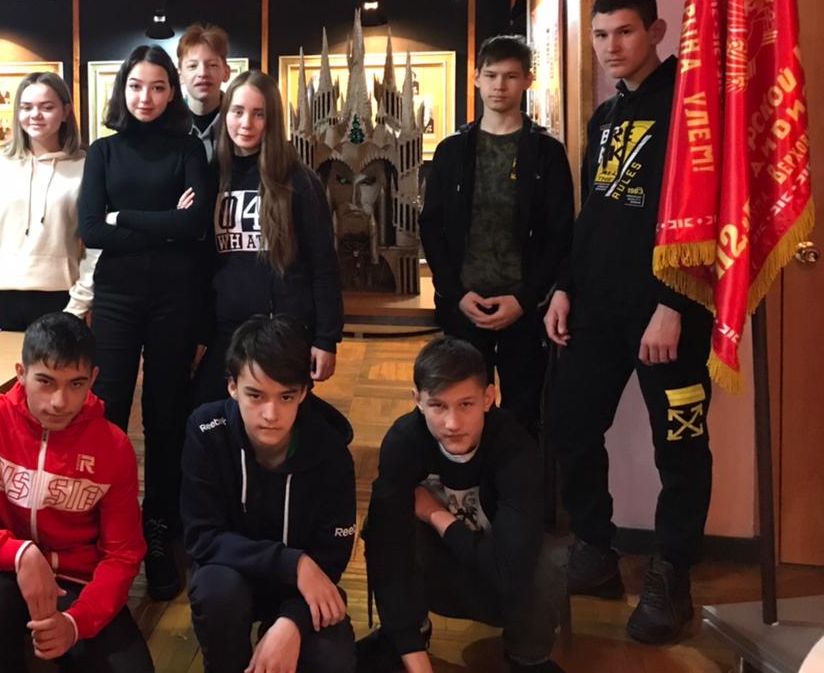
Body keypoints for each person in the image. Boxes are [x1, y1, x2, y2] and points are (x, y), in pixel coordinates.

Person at [545, 0, 715, 644]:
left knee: (680, 445)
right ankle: (595, 550)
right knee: (571, 424)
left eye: (624, 32)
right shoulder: (605, 117)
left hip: (669, 313)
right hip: (598, 308)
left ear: (656, 32)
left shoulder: (690, 107)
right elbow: (594, 216)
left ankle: (672, 573)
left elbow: (704, 215)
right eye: (600, 35)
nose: (611, 46)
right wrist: (564, 287)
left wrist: (674, 303)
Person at [0, 312, 153, 673]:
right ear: (21, 373)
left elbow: (123, 555)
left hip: (78, 583)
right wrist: (19, 553)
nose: (60, 401)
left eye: (76, 384)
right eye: (45, 381)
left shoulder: (113, 447)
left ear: (93, 378)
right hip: (2, 574)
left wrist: (77, 622)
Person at [77, 43, 211, 600]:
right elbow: (91, 229)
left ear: (172, 92)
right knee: (106, 409)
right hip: (116, 297)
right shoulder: (103, 151)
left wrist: (124, 217)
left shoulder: (188, 148)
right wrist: (163, 224)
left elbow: (195, 225)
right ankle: (104, 522)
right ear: (122, 89)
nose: (146, 97)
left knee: (165, 414)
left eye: (158, 87)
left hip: (174, 298)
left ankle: (158, 528)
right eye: (136, 86)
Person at [360, 337, 565, 673]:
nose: (452, 423)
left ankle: (528, 656)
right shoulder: (403, 442)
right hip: (434, 567)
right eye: (438, 406)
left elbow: (508, 570)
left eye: (465, 404)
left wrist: (436, 514)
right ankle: (409, 634)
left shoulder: (516, 448)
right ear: (418, 401)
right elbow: (388, 550)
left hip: (497, 577)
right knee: (384, 529)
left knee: (548, 560)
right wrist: (409, 647)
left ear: (489, 397)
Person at [182, 314, 357, 673]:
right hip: (233, 573)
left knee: (333, 657)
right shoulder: (206, 430)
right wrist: (293, 562)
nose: (270, 414)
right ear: (232, 386)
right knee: (216, 591)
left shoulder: (331, 451)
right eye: (255, 395)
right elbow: (202, 537)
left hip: (302, 587)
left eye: (286, 396)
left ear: (304, 392)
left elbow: (332, 556)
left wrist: (292, 622)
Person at [418, 36, 573, 439]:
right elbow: (432, 226)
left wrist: (525, 298)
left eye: (510, 76)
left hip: (525, 306)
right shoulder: (452, 151)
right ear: (476, 78)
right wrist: (455, 293)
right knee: (461, 403)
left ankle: (519, 477)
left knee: (525, 410)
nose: (499, 86)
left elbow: (560, 233)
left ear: (528, 80)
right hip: (464, 302)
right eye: (491, 75)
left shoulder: (547, 153)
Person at [194, 69, 343, 409]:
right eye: (238, 111)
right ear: (225, 114)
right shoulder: (213, 175)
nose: (246, 123)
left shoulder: (298, 180)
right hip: (226, 328)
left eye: (258, 114)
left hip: (283, 330)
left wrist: (326, 339)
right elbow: (203, 263)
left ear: (272, 120)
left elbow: (324, 264)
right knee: (208, 415)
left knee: (273, 422)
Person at [0, 72, 98, 333]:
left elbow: (95, 246)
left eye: (47, 107)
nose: (35, 115)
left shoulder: (86, 166)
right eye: (26, 107)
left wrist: (78, 305)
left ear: (66, 112)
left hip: (62, 300)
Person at [178, 22, 233, 163]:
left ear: (226, 72)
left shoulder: (240, 124)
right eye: (192, 66)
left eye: (212, 65)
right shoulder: (169, 126)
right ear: (180, 75)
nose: (202, 73)